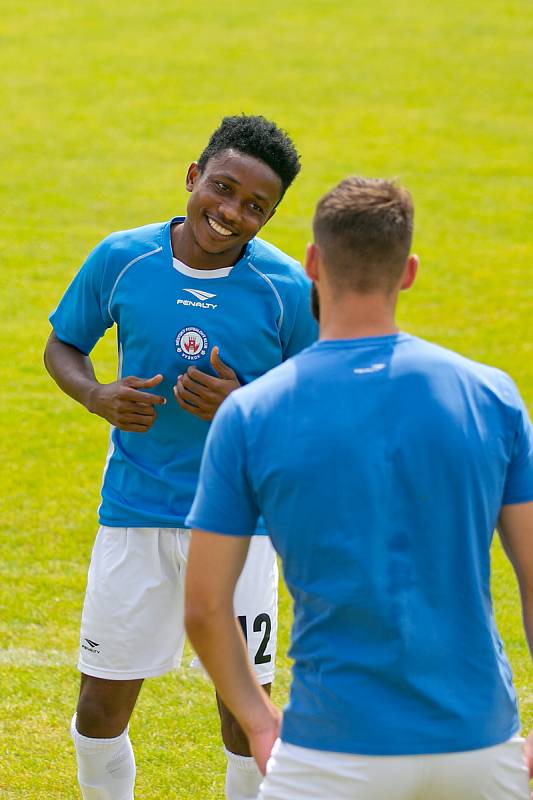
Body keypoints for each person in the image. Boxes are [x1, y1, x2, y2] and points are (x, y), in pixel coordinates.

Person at [185, 176, 533, 800]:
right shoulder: (492, 396)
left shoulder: (251, 414)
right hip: (479, 748)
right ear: (409, 273)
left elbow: (206, 607)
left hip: (332, 748)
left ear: (313, 264)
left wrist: (261, 724)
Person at [44, 114, 317, 800]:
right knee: (99, 713)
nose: (229, 213)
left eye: (254, 207)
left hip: (238, 527)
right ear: (193, 177)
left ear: (271, 215)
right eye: (221, 188)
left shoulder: (285, 290)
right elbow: (63, 344)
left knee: (241, 717)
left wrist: (242, 406)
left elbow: (319, 404)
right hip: (133, 511)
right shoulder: (122, 259)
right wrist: (95, 395)